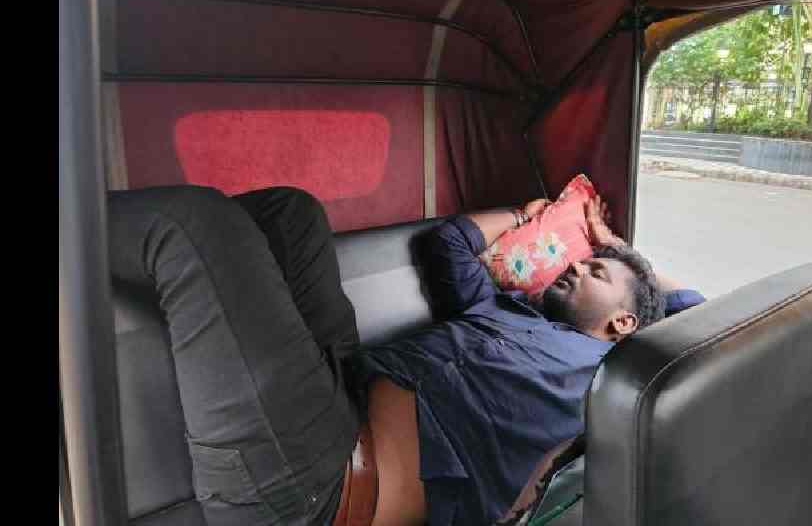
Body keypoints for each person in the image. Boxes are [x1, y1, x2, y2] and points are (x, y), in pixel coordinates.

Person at [107, 185, 705, 526]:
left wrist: (621, 248)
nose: (575, 263)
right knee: (291, 213)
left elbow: (701, 314)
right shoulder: (504, 309)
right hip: (342, 387)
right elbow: (449, 242)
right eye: (581, 258)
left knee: (188, 225)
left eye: (593, 269)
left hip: (326, 487)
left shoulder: (611, 373)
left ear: (623, 322)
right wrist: (527, 216)